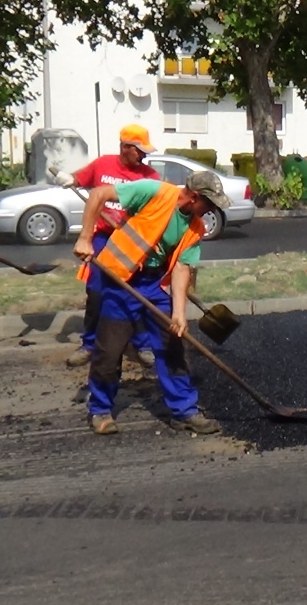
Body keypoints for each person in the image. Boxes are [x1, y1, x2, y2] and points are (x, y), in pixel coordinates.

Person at [72, 170, 232, 436]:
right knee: (109, 350)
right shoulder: (153, 191)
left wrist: (179, 313)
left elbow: (182, 268)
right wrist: (85, 238)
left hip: (154, 284)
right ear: (193, 197)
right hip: (120, 279)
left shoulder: (195, 227)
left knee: (172, 345)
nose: (211, 210)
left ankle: (184, 411)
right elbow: (98, 194)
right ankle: (100, 409)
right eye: (209, 204)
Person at [57, 124, 161, 369]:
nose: (144, 155)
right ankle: (89, 344)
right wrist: (68, 178)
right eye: (140, 150)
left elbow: (153, 213)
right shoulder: (103, 164)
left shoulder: (150, 177)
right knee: (96, 292)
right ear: (125, 147)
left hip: (132, 240)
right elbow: (79, 179)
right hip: (103, 238)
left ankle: (142, 344)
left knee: (135, 291)